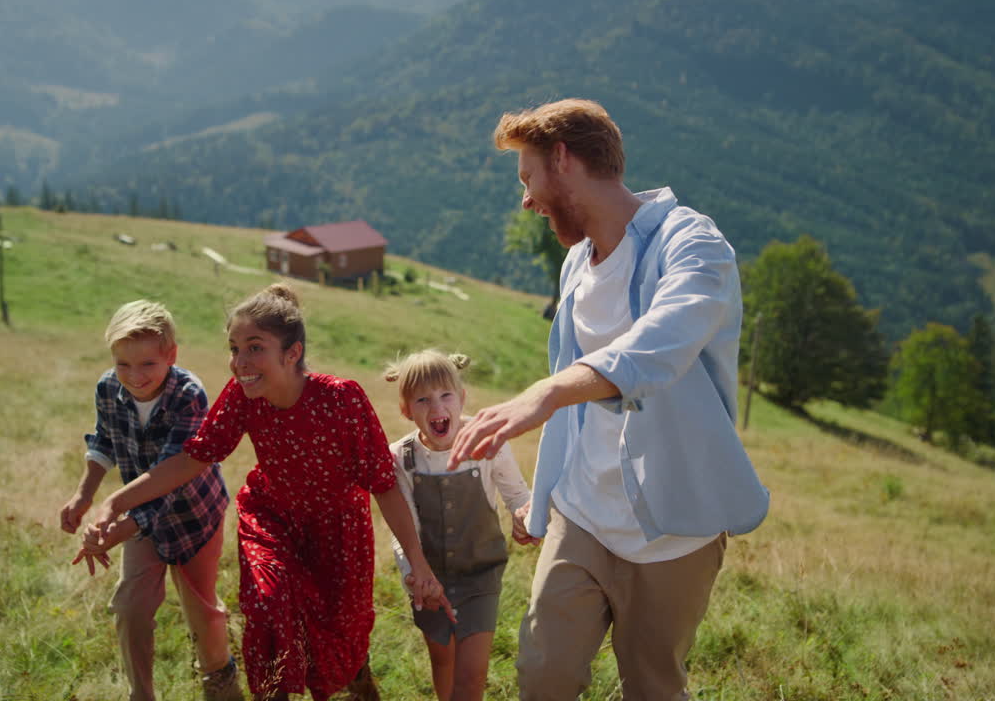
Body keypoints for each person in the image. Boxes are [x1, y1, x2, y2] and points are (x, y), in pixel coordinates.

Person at [448, 99, 770, 701]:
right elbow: (582, 406)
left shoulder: (694, 245)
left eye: (528, 177)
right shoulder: (576, 262)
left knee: (651, 687)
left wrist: (547, 391)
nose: (525, 199)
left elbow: (661, 343)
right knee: (542, 678)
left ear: (564, 160)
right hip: (583, 516)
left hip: (673, 532)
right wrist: (541, 498)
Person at [88, 283, 452, 701]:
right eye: (234, 348)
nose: (240, 362)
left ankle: (357, 678)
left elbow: (383, 486)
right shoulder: (244, 396)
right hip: (271, 519)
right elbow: (193, 458)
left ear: (292, 352)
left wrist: (419, 564)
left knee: (341, 636)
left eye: (254, 348)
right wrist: (115, 501)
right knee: (266, 606)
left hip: (338, 530)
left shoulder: (342, 399)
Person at [62, 300, 242, 701]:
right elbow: (104, 441)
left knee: (201, 612)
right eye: (124, 364)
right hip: (139, 516)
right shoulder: (109, 387)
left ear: (171, 356)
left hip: (194, 516)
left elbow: (175, 475)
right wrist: (83, 494)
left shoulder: (188, 395)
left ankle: (221, 686)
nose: (134, 376)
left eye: (147, 364)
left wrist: (118, 523)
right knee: (130, 607)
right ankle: (140, 693)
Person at [383, 350, 533, 701]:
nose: (437, 408)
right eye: (422, 400)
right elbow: (402, 527)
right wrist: (413, 575)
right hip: (428, 578)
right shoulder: (400, 458)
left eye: (445, 395)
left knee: (472, 673)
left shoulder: (487, 442)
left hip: (481, 574)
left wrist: (523, 516)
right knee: (443, 660)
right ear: (406, 410)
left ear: (462, 398)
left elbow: (518, 495)